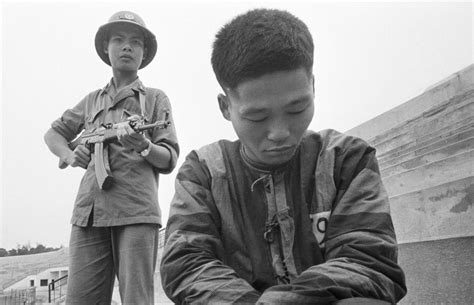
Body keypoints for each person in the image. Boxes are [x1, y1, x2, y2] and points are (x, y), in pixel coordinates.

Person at [160, 8, 406, 304]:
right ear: (225, 107)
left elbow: (368, 260)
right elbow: (186, 264)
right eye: (257, 116)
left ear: (312, 87)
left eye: (296, 109)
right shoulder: (203, 171)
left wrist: (287, 300)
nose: (279, 132)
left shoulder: (347, 159)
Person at [44, 11, 179, 304]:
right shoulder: (92, 100)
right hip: (88, 213)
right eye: (118, 39)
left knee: (136, 300)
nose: (127, 47)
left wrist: (143, 145)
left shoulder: (155, 99)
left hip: (135, 210)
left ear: (144, 54)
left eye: (135, 42)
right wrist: (70, 154)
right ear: (106, 48)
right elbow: (53, 134)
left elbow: (168, 158)